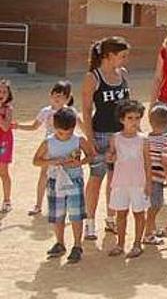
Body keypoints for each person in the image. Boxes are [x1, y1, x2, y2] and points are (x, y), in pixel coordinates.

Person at [81, 36, 130, 241]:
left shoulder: (123, 74)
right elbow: (85, 109)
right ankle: (89, 222)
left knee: (115, 181)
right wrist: (89, 138)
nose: (125, 60)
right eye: (122, 56)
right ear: (109, 56)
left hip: (120, 136)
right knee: (96, 179)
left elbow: (128, 104)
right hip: (100, 134)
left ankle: (110, 218)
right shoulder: (93, 77)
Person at [32, 107, 94, 263]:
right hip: (55, 181)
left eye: (68, 133)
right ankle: (60, 243)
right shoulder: (48, 142)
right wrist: (53, 161)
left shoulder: (79, 140)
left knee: (76, 215)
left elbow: (91, 156)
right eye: (61, 133)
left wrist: (79, 162)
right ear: (54, 126)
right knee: (57, 215)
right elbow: (36, 161)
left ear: (73, 128)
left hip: (74, 181)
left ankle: (77, 245)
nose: (65, 136)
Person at [17, 80, 75, 216]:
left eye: (61, 95)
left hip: (65, 147)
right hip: (49, 146)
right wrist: (18, 126)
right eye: (55, 94)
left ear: (67, 98)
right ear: (51, 94)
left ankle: (66, 205)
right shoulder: (46, 111)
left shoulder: (70, 112)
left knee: (67, 174)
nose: (57, 97)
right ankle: (38, 204)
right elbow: (34, 126)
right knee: (44, 174)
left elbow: (79, 126)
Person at [106, 99, 150, 259]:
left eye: (137, 118)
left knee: (139, 213)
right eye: (130, 118)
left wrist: (149, 184)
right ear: (122, 119)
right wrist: (110, 157)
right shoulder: (115, 138)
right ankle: (120, 244)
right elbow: (112, 157)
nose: (134, 121)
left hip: (139, 183)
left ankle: (137, 244)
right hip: (120, 182)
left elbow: (147, 164)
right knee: (121, 214)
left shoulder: (143, 140)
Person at [144, 105, 167, 246]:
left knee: (151, 204)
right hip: (157, 178)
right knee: (155, 205)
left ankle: (152, 229)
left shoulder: (145, 139)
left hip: (146, 177)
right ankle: (148, 233)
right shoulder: (165, 142)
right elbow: (165, 161)